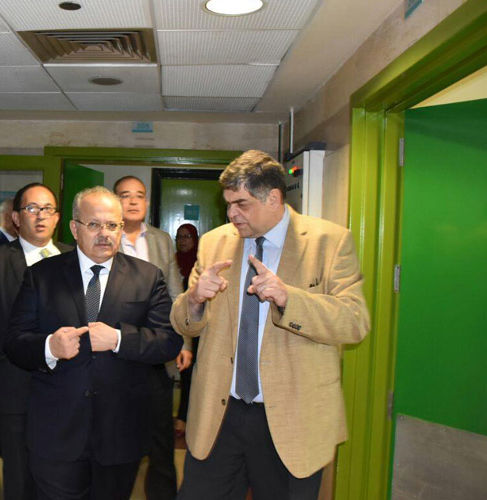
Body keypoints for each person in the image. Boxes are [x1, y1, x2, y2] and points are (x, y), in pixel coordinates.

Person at [171, 150, 370, 500]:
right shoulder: (215, 242)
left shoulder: (329, 242)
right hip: (219, 414)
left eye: (242, 204)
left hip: (293, 418)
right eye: (229, 203)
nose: (231, 213)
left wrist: (289, 298)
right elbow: (184, 324)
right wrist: (195, 299)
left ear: (274, 198)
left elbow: (354, 321)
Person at [5, 186, 183, 500]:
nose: (104, 233)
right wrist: (49, 348)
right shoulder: (42, 275)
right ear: (75, 229)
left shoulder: (147, 277)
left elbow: (168, 342)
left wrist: (119, 339)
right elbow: (14, 342)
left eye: (112, 225)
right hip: (56, 431)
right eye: (94, 225)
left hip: (120, 432)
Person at [0, 182, 72, 500]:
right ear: (16, 218)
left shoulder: (74, 258)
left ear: (57, 217)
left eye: (47, 209)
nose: (40, 216)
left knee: (62, 471)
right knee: (18, 473)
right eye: (32, 209)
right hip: (14, 386)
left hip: (67, 386)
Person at [113, 175, 190, 500]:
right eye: (125, 195)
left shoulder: (160, 239)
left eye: (139, 195)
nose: (133, 201)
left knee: (161, 437)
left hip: (157, 350)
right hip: (116, 349)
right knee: (117, 435)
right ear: (113, 200)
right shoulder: (104, 234)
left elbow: (175, 292)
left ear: (146, 202)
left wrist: (183, 341)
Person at [173, 223, 200, 438]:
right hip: (177, 325)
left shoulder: (199, 263)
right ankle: (183, 416)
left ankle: (189, 417)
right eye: (179, 237)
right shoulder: (173, 261)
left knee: (194, 374)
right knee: (185, 373)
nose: (182, 241)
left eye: (187, 236)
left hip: (197, 328)